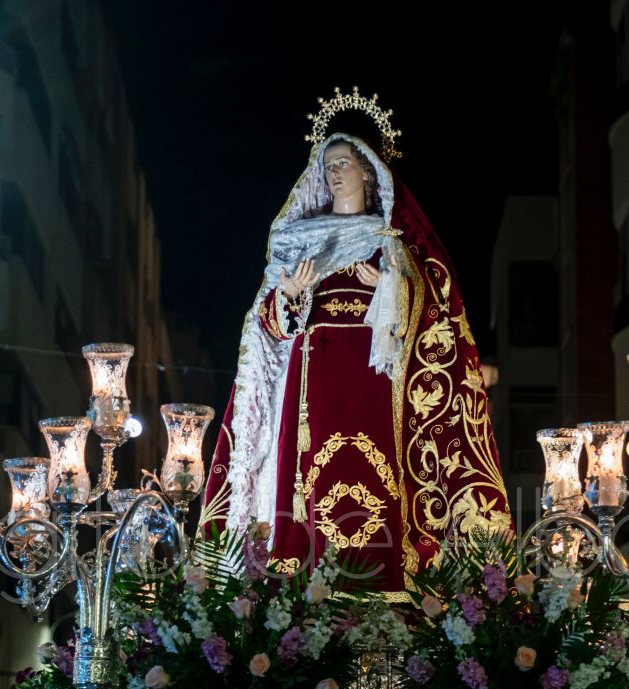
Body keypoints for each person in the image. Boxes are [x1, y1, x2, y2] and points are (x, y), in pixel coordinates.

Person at [199, 131, 510, 593]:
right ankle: (302, 572)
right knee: (306, 485)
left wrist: (389, 289)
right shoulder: (300, 240)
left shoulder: (390, 241)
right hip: (311, 383)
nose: (335, 174)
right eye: (328, 167)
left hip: (375, 384)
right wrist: (289, 295)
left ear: (368, 171)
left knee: (381, 482)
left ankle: (386, 573)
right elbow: (268, 328)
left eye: (343, 163)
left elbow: (427, 318)